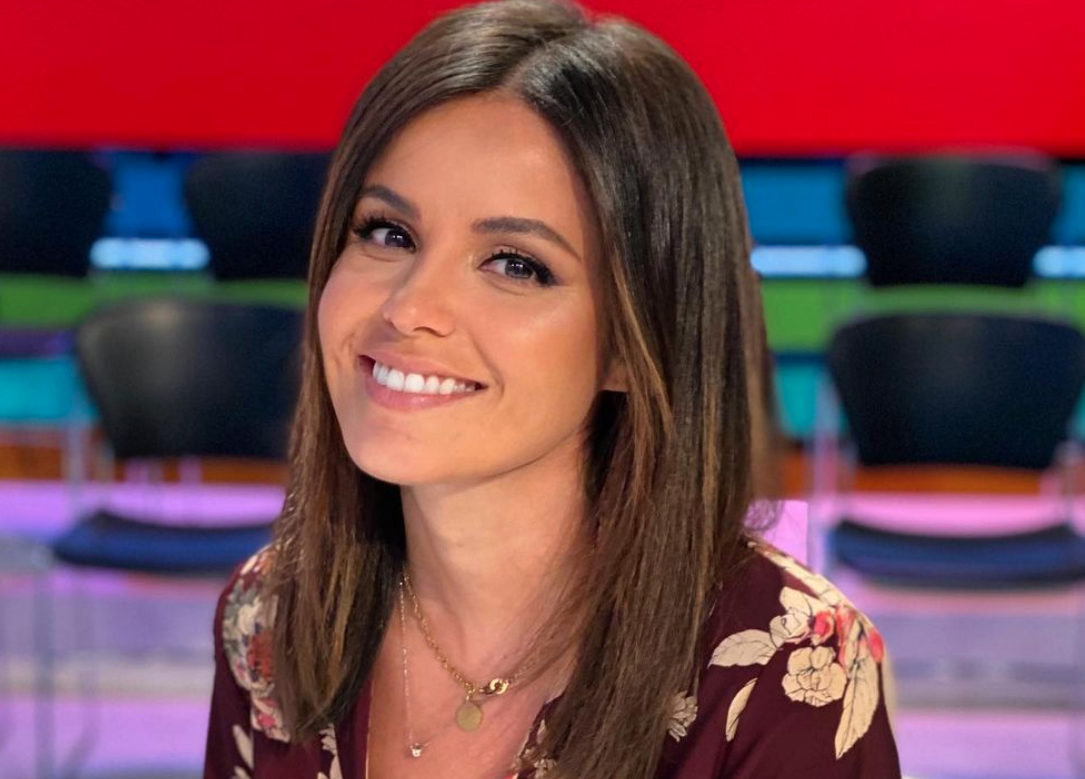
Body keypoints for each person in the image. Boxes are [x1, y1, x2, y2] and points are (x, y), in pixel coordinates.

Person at [203, 1, 901, 777]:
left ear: (635, 342)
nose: (408, 307)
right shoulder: (267, 619)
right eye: (387, 233)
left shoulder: (791, 675)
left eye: (515, 264)